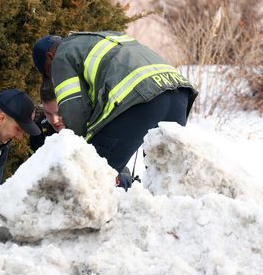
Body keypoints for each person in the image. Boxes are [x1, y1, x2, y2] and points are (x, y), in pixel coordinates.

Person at [31, 31, 197, 177]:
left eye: (49, 73)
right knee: (166, 178)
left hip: (141, 100)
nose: (53, 79)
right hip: (178, 93)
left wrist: (77, 151)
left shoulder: (61, 57)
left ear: (50, 58)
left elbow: (74, 112)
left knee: (93, 175)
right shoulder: (102, 37)